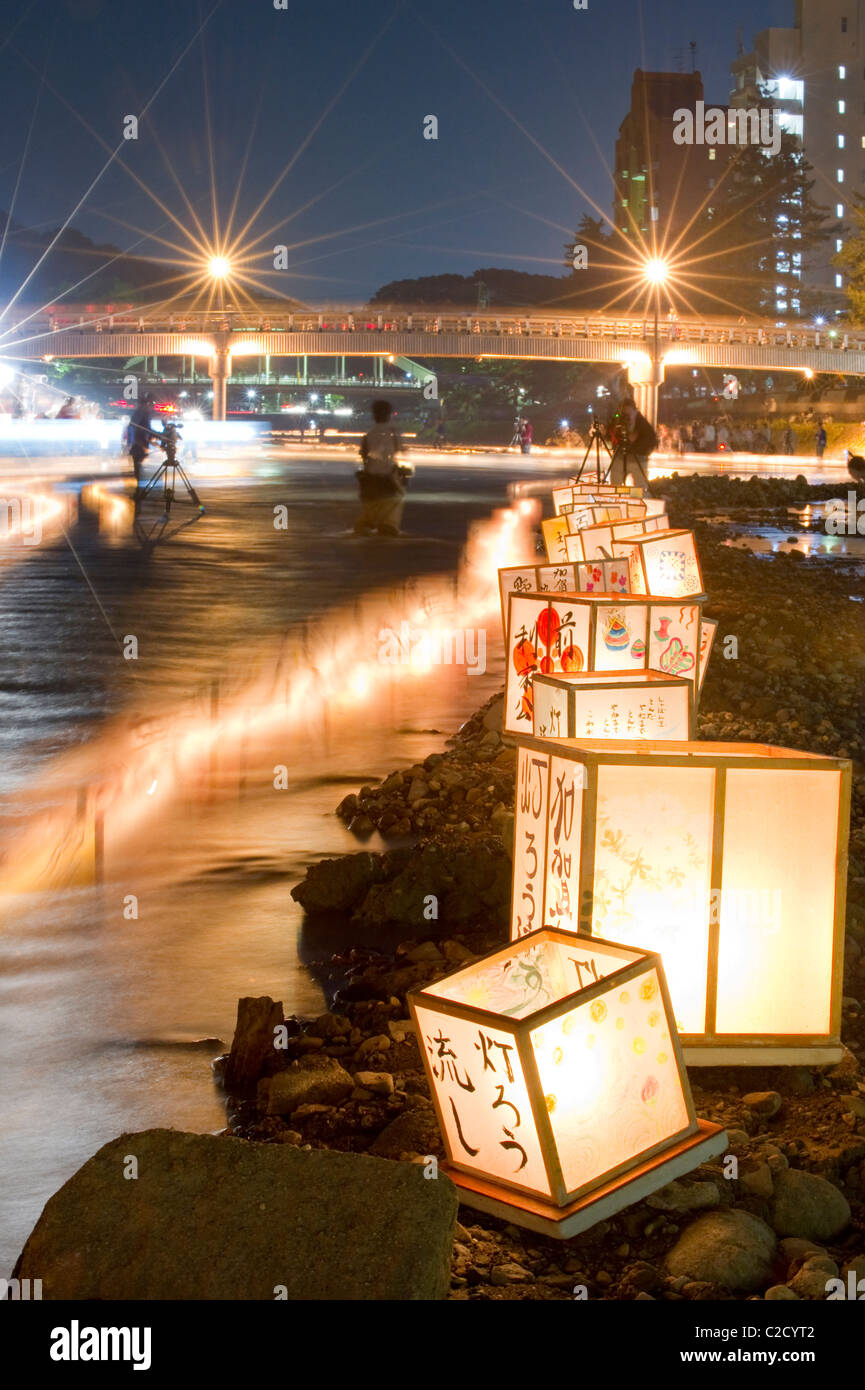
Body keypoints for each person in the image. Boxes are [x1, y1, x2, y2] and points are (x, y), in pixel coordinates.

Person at [355, 399, 409, 536]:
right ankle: (388, 524)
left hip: (370, 476)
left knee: (370, 504)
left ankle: (367, 522)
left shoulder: (368, 435)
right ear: (389, 415)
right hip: (389, 477)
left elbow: (363, 456)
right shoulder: (394, 433)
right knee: (396, 499)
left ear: (374, 415)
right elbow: (402, 454)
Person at [610, 397, 656, 488]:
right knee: (615, 486)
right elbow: (611, 436)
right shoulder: (617, 421)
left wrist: (637, 444)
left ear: (635, 412)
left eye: (629, 414)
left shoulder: (643, 425)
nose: (626, 417)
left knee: (639, 489)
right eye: (624, 414)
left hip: (638, 459)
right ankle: (617, 500)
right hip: (620, 457)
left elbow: (651, 441)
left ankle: (636, 500)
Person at [127, 392, 156, 490]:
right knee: (138, 467)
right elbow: (139, 430)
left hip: (139, 445)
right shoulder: (142, 415)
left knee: (139, 467)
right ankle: (139, 489)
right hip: (139, 445)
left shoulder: (140, 414)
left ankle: (139, 488)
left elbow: (146, 429)